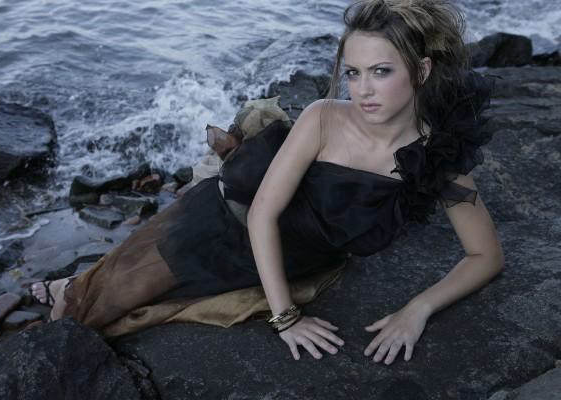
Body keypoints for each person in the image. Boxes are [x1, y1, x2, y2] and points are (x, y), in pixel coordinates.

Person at [30, 0, 504, 365]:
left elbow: (486, 256)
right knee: (91, 312)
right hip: (223, 224)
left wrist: (417, 309)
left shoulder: (436, 157)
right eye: (354, 72)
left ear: (420, 71)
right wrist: (286, 318)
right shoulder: (323, 118)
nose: (362, 90)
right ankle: (65, 288)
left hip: (301, 262)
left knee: (129, 310)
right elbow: (261, 213)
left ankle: (66, 284)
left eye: (382, 71)